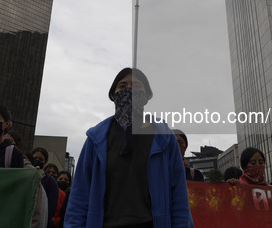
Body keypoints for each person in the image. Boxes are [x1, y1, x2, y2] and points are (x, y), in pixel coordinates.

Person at [64, 67, 193, 228]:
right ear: (113, 95)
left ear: (146, 97)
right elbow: (79, 197)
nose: (130, 90)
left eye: (137, 86)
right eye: (123, 86)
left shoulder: (165, 139)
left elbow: (179, 198)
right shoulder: (96, 140)